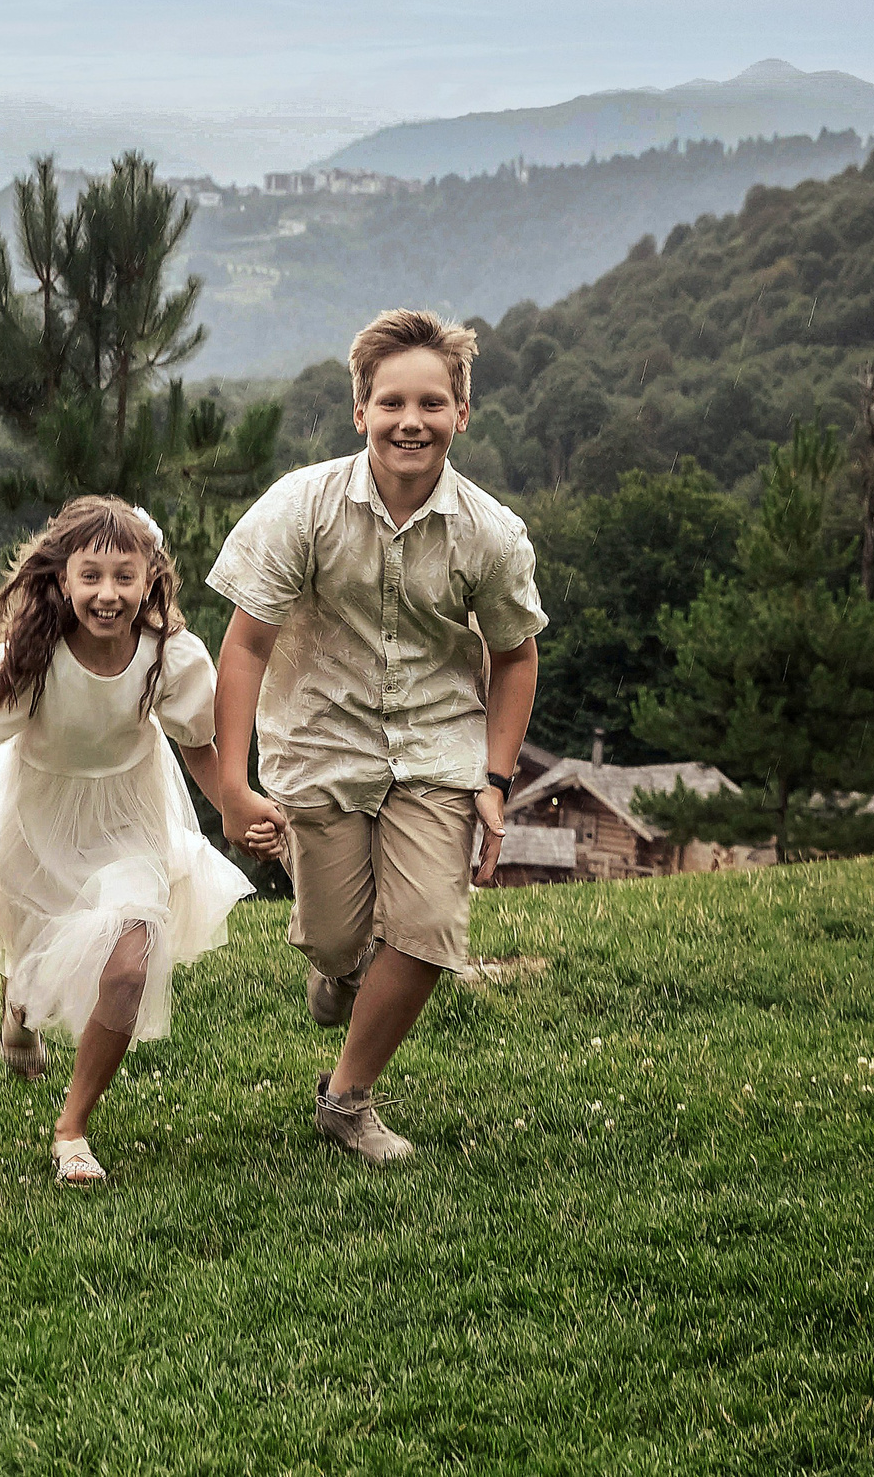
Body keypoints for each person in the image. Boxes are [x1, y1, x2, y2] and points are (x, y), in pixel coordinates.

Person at [211, 309, 545, 1166]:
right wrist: (233, 783)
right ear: (360, 410)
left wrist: (496, 779)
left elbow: (514, 656)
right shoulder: (302, 507)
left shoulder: (490, 534)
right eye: (392, 401)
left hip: (437, 744)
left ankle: (347, 1098)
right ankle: (337, 969)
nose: (412, 420)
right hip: (320, 743)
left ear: (461, 413)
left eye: (432, 402)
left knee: (429, 925)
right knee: (333, 937)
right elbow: (246, 645)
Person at [0, 496, 250, 1187]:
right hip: (39, 814)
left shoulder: (167, 657)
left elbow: (199, 743)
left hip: (131, 817)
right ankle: (17, 1008)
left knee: (129, 962)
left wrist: (234, 803)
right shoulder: (31, 656)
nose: (108, 593)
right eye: (91, 575)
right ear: (62, 579)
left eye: (124, 576)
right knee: (38, 946)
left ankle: (73, 1126)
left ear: (150, 579)